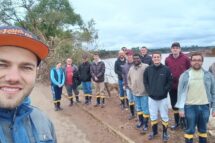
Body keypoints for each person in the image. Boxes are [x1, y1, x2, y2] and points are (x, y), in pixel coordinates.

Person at [0, 26, 57, 142]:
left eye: (26, 67)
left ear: (36, 73)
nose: (13, 78)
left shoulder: (43, 122)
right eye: (1, 65)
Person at [175, 52, 215, 143]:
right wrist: (181, 109)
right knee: (189, 130)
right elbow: (180, 93)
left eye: (199, 60)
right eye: (194, 60)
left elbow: (213, 93)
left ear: (202, 62)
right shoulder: (184, 75)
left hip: (205, 107)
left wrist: (214, 108)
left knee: (203, 130)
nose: (197, 62)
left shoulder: (209, 75)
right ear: (191, 61)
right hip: (189, 107)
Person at [144, 51, 172, 141]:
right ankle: (154, 132)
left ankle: (165, 133)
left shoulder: (166, 69)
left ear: (161, 58)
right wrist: (149, 91)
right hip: (152, 98)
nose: (156, 58)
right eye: (154, 57)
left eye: (158, 57)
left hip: (163, 98)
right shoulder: (148, 69)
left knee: (164, 116)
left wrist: (164, 91)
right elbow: (145, 82)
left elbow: (170, 82)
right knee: (153, 115)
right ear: (152, 58)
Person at [165, 42, 190, 130]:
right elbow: (166, 72)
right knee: (174, 105)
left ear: (180, 49)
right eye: (173, 48)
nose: (175, 49)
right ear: (171, 49)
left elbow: (190, 71)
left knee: (183, 104)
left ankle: (184, 122)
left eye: (177, 48)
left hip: (183, 87)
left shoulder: (186, 58)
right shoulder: (167, 59)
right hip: (172, 87)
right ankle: (177, 123)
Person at [127, 53, 149, 134]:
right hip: (135, 93)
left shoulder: (146, 66)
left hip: (144, 93)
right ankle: (141, 122)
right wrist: (131, 87)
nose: (136, 60)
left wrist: (148, 88)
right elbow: (128, 79)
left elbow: (150, 77)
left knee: (145, 109)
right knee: (138, 108)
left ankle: (146, 124)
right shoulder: (131, 68)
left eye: (137, 58)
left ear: (140, 59)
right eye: (134, 58)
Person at [122, 50, 135, 120]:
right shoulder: (124, 66)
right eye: (127, 55)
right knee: (130, 100)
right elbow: (123, 76)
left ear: (132, 56)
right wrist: (124, 84)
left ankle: (139, 116)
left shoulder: (136, 64)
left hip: (135, 87)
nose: (129, 57)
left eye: (130, 55)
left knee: (137, 101)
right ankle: (132, 114)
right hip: (127, 87)